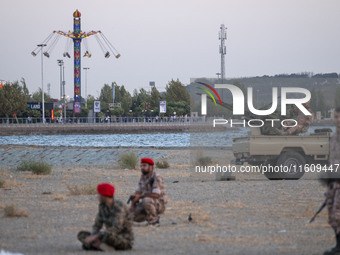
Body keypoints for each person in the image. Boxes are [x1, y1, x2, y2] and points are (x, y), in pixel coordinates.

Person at [77, 183, 134, 251]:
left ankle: (98, 246)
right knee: (81, 235)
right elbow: (97, 225)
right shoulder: (102, 206)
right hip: (105, 236)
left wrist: (96, 236)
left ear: (104, 196)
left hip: (122, 239)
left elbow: (116, 228)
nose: (97, 196)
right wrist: (93, 235)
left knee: (108, 236)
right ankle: (101, 245)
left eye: (99, 194)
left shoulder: (119, 207)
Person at [322, 107, 340, 255]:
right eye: (336, 117)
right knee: (332, 216)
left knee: (338, 214)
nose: (338, 119)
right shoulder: (334, 137)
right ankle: (338, 246)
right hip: (334, 182)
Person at [130, 158, 167, 226]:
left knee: (146, 200)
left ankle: (154, 221)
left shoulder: (156, 177)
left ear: (150, 167)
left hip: (159, 204)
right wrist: (133, 205)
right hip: (146, 203)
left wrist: (141, 196)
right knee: (131, 216)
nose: (142, 168)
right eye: (141, 166)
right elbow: (137, 192)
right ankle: (149, 216)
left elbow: (156, 195)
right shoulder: (143, 177)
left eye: (144, 166)